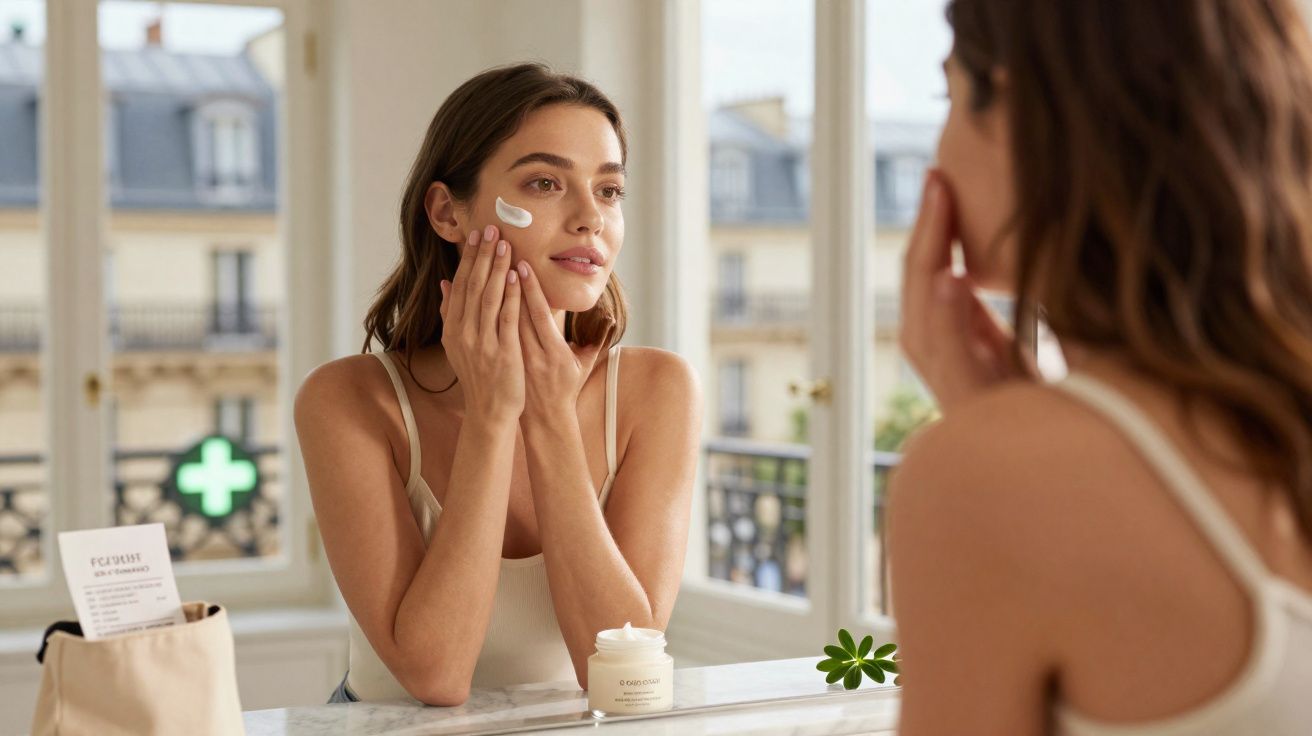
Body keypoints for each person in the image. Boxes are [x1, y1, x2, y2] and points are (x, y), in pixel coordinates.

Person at [890, 1, 1312, 733]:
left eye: (948, 97)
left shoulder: (987, 476)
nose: (938, 150)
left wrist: (994, 439)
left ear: (1027, 121)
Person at [295, 63, 701, 706]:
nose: (589, 218)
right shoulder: (347, 400)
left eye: (609, 190)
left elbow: (622, 674)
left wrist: (548, 418)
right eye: (545, 183)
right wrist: (491, 416)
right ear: (447, 213)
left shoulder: (658, 390)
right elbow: (434, 675)